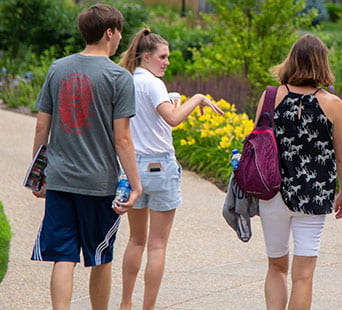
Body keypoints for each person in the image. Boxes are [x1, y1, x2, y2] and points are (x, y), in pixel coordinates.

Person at [29, 4, 141, 310]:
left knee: (63, 256)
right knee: (100, 256)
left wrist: (38, 173)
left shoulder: (58, 69)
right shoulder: (118, 78)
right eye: (119, 32)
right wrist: (135, 185)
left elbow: (42, 125)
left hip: (60, 180)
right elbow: (122, 139)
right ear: (109, 32)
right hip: (99, 184)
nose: (120, 38)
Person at [116, 27, 222, 310]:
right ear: (147, 56)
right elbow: (173, 119)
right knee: (157, 246)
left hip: (133, 167)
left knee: (135, 241)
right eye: (163, 57)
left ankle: (125, 303)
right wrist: (198, 98)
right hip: (159, 167)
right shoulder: (153, 84)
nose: (167, 62)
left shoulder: (128, 80)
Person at [257, 34, 342, 310]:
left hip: (273, 193)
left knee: (276, 267)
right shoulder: (332, 104)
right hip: (314, 197)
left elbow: (257, 143)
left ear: (292, 59)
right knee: (303, 276)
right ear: (322, 63)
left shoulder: (271, 96)